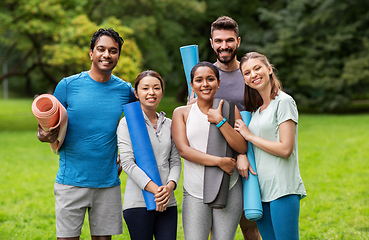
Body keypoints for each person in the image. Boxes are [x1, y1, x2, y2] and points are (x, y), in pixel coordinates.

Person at [36, 28, 136, 240]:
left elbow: (139, 126)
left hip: (107, 183)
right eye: (101, 49)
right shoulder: (68, 85)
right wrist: (46, 135)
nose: (107, 55)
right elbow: (43, 130)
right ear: (91, 53)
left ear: (118, 55)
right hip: (70, 181)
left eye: (113, 50)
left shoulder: (125, 90)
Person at [194, 15, 261, 240]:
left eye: (229, 40)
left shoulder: (249, 74)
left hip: (250, 156)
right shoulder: (205, 75)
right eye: (219, 41)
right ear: (211, 43)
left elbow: (260, 116)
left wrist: (243, 153)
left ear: (238, 42)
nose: (224, 46)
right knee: (218, 227)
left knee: (250, 223)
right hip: (217, 163)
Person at [234, 52, 307, 240]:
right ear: (244, 79)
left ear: (269, 69)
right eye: (247, 72)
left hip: (282, 187)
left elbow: (285, 149)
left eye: (257, 68)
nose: (253, 75)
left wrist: (249, 136)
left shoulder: (284, 102)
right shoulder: (257, 111)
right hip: (261, 191)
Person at [172, 61, 247, 240]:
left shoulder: (229, 109)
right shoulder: (181, 113)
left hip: (228, 187)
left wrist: (220, 121)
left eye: (210, 79)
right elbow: (184, 151)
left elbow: (241, 146)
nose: (205, 84)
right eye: (199, 80)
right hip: (194, 190)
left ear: (218, 83)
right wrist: (219, 161)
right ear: (192, 85)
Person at [116, 70, 181, 240]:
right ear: (136, 93)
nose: (151, 92)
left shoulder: (170, 124)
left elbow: (175, 161)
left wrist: (169, 188)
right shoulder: (127, 123)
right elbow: (128, 164)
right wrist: (156, 191)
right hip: (137, 203)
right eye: (145, 88)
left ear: (162, 92)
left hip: (168, 201)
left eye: (156, 88)